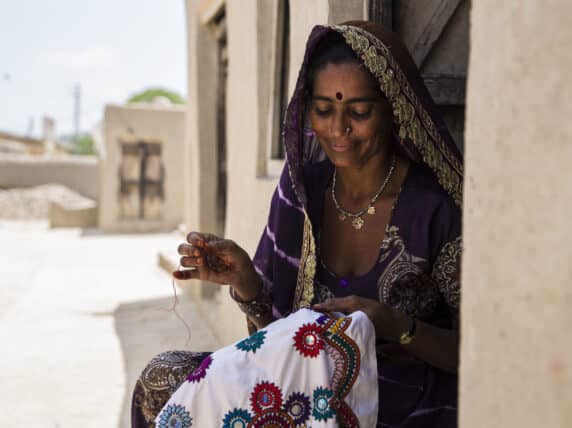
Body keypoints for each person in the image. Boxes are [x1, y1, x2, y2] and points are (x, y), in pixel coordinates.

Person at [132, 20, 462, 428]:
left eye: (358, 112)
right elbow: (278, 340)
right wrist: (247, 281)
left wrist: (396, 325)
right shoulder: (301, 189)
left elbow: (476, 352)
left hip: (393, 398)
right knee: (161, 383)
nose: (338, 129)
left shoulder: (436, 209)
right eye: (324, 110)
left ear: (393, 108)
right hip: (299, 388)